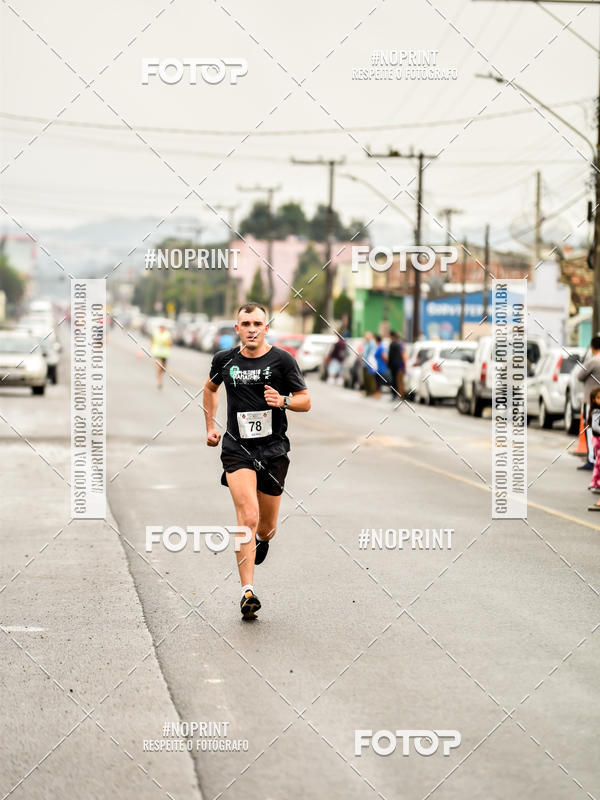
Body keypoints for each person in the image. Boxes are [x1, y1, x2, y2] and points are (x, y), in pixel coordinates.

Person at [203, 303, 311, 620]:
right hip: (237, 449)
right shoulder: (224, 360)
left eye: (257, 323)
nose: (252, 329)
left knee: (266, 527)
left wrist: (284, 400)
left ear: (266, 328)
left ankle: (262, 540)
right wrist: (210, 427)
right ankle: (247, 592)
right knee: (247, 517)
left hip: (273, 450)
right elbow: (209, 389)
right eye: (246, 323)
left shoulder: (282, 361)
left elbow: (305, 401)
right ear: (237, 328)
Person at [576, 336, 600, 471]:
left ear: (591, 347)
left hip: (591, 401)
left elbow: (580, 376)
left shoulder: (593, 361)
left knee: (590, 430)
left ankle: (592, 459)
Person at [151, 323, 172, 389]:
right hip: (157, 353)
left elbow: (170, 343)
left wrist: (167, 343)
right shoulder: (156, 333)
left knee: (163, 369)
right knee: (159, 367)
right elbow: (152, 341)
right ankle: (159, 381)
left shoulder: (167, 334)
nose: (162, 328)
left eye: (163, 327)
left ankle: (159, 376)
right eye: (161, 327)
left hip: (164, 354)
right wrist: (151, 348)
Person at [388, 330, 407, 400]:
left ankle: (398, 395)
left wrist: (405, 366)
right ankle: (399, 395)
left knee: (397, 381)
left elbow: (403, 355)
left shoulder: (395, 344)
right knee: (398, 381)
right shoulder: (399, 344)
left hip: (396, 366)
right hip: (398, 365)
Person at [372, 335, 388, 399]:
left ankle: (379, 393)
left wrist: (387, 363)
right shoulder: (377, 346)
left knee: (379, 380)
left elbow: (384, 356)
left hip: (381, 366)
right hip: (377, 366)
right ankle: (376, 392)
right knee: (376, 380)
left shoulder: (381, 347)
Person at [362, 331, 376, 396]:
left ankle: (371, 392)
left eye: (367, 336)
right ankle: (367, 391)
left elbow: (372, 354)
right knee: (365, 378)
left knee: (370, 378)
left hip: (369, 363)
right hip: (364, 363)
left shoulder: (372, 343)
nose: (366, 337)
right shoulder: (365, 343)